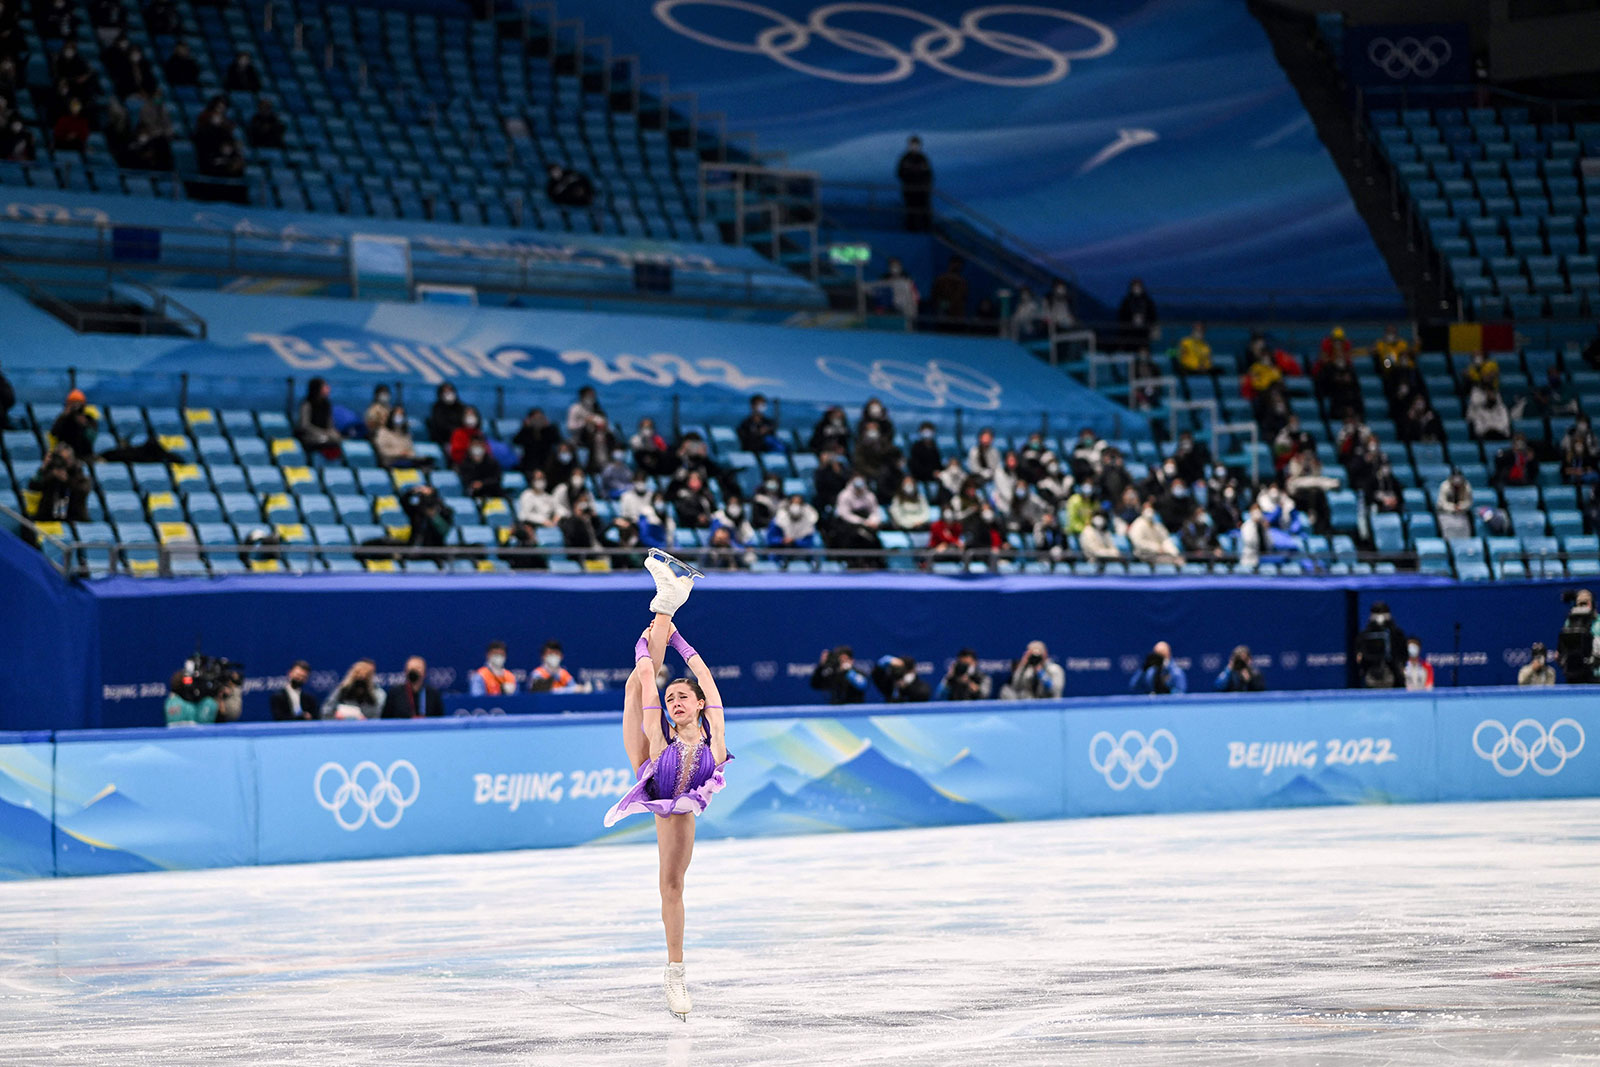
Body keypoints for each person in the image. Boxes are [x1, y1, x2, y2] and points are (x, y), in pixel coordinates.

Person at [602, 554, 731, 1021]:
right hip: (651, 767)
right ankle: (666, 602)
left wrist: (675, 636)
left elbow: (708, 680)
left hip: (681, 805)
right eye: (671, 697)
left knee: (672, 884)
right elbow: (645, 681)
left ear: (698, 705)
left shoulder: (714, 731)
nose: (675, 700)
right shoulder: (660, 733)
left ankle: (674, 972)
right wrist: (656, 639)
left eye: (683, 696)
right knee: (635, 690)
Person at [29, 443, 92, 521]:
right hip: (49, 517)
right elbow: (33, 486)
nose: (65, 462)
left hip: (74, 517)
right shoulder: (51, 471)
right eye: (62, 458)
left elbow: (83, 490)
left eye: (68, 458)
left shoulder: (78, 470)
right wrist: (43, 467)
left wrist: (67, 480)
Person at [1356, 601, 1406, 688]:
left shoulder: (1396, 634)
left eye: (1383, 613)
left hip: (1394, 676)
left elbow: (1403, 654)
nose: (1380, 616)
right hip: (1371, 675)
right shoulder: (1364, 635)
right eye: (1377, 613)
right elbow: (1360, 656)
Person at [295, 377, 342, 458]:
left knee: (336, 440)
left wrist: (333, 434)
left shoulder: (327, 404)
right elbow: (304, 426)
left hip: (325, 436)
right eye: (325, 386)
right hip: (309, 436)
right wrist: (322, 433)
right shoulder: (307, 404)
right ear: (318, 388)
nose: (328, 388)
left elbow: (329, 424)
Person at [1000, 641, 1065, 699]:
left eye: (1037, 654)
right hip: (1032, 707)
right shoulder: (1028, 671)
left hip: (1050, 706)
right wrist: (1023, 665)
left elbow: (1055, 690)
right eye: (1032, 655)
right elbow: (1016, 686)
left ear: (1045, 654)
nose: (1035, 657)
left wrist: (1040, 672)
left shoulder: (1055, 669)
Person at [895, 134, 932, 231]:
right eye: (912, 145)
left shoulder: (923, 158)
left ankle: (926, 229)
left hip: (922, 191)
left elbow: (928, 174)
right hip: (910, 190)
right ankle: (911, 230)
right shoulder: (905, 158)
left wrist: (926, 186)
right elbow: (900, 173)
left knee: (924, 211)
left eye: (916, 145)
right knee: (911, 211)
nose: (914, 147)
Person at [1116, 278, 1158, 351]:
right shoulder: (1126, 301)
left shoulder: (1147, 301)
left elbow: (1153, 315)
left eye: (1138, 286)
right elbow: (1122, 316)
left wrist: (1146, 322)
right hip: (1130, 332)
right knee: (1131, 350)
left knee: (1144, 349)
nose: (1136, 289)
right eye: (1135, 287)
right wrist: (1132, 319)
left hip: (1144, 331)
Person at [930, 255, 968, 322]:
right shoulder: (941, 280)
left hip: (956, 315)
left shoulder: (963, 283)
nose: (956, 266)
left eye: (958, 265)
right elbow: (935, 296)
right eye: (955, 264)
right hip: (946, 314)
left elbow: (963, 298)